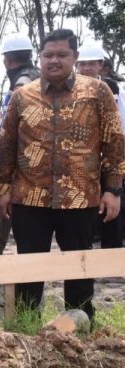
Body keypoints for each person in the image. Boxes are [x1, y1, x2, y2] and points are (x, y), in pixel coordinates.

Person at [0, 29, 125, 319]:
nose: (54, 61)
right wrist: (3, 189)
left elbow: (114, 141)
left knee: (80, 267)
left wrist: (112, 189)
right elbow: (6, 145)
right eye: (48, 55)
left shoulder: (96, 92)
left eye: (62, 55)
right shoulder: (22, 97)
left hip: (80, 198)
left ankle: (79, 328)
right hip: (30, 198)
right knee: (30, 267)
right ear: (40, 58)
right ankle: (26, 329)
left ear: (75, 58)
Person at [0, 34, 41, 256]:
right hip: (36, 160)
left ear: (7, 60)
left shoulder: (22, 83)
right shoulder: (40, 76)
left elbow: (12, 125)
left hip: (17, 160)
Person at [76, 41, 125, 249]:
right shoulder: (71, 89)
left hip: (108, 154)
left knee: (111, 196)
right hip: (83, 157)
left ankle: (111, 248)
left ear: (100, 65)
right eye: (82, 64)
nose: (86, 68)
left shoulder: (111, 89)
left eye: (91, 63)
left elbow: (119, 124)